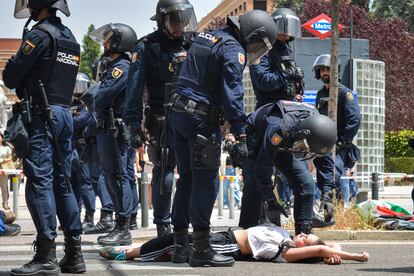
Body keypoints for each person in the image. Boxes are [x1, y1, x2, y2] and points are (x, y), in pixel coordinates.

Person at [168, 10, 277, 267]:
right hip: (201, 120)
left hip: (178, 113)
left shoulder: (209, 36)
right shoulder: (232, 49)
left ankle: (180, 245)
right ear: (253, 34)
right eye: (259, 44)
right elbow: (233, 93)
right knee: (206, 182)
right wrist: (239, 132)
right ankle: (202, 249)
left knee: (186, 179)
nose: (256, 50)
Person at [3, 0, 86, 274]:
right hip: (63, 114)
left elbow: (11, 76)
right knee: (63, 183)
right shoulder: (69, 37)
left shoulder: (39, 35)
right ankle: (74, 254)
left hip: (41, 115)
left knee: (40, 182)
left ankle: (46, 255)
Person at [123, 0, 198, 238]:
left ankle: (185, 225)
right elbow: (133, 89)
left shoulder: (192, 42)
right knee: (165, 169)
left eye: (183, 21)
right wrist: (133, 125)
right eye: (176, 21)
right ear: (163, 19)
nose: (180, 26)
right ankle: (163, 226)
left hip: (192, 115)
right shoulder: (147, 46)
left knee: (193, 172)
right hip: (161, 116)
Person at [239, 7, 304, 229]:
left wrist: (296, 89)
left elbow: (290, 80)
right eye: (284, 30)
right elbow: (263, 81)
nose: (288, 35)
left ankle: (301, 226)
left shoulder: (286, 50)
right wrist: (287, 74)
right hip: (268, 116)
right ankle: (251, 226)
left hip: (287, 115)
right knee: (258, 176)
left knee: (300, 177)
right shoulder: (261, 49)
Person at [248, 100, 337, 235]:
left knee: (305, 183)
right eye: (306, 149)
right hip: (259, 137)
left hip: (289, 140)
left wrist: (327, 193)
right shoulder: (278, 128)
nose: (308, 155)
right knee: (255, 183)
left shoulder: (320, 129)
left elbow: (325, 161)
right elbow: (263, 167)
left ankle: (304, 232)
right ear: (303, 134)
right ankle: (253, 228)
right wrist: (270, 200)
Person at [98, 224, 369, 265]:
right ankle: (129, 251)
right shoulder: (285, 236)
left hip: (230, 246)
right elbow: (324, 247)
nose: (303, 235)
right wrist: (332, 255)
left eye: (306, 239)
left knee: (173, 240)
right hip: (225, 235)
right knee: (174, 243)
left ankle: (126, 254)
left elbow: (321, 248)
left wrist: (355, 256)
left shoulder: (287, 252)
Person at [88, 23, 137, 246]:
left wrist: (91, 95)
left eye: (108, 39)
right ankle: (120, 224)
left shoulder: (121, 67)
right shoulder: (113, 66)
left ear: (118, 41)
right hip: (108, 128)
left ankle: (123, 227)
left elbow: (101, 96)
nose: (104, 43)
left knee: (118, 177)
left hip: (115, 129)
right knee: (112, 177)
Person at [312, 54, 361, 224]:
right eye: (323, 70)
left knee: (334, 178)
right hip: (322, 145)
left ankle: (339, 215)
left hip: (338, 146)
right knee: (323, 177)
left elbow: (354, 119)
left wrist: (344, 141)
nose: (325, 72)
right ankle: (328, 215)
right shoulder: (320, 94)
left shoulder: (344, 93)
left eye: (328, 69)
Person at [70, 72, 96, 233]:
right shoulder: (70, 103)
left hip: (83, 147)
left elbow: (79, 121)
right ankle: (75, 216)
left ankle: (90, 217)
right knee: (73, 183)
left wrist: (67, 121)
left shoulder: (87, 104)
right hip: (71, 147)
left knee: (85, 183)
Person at [0, 132, 14, 210]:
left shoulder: (6, 148)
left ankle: (5, 203)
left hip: (3, 169)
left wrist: (2, 160)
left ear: (2, 138)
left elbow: (10, 158)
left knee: (4, 187)